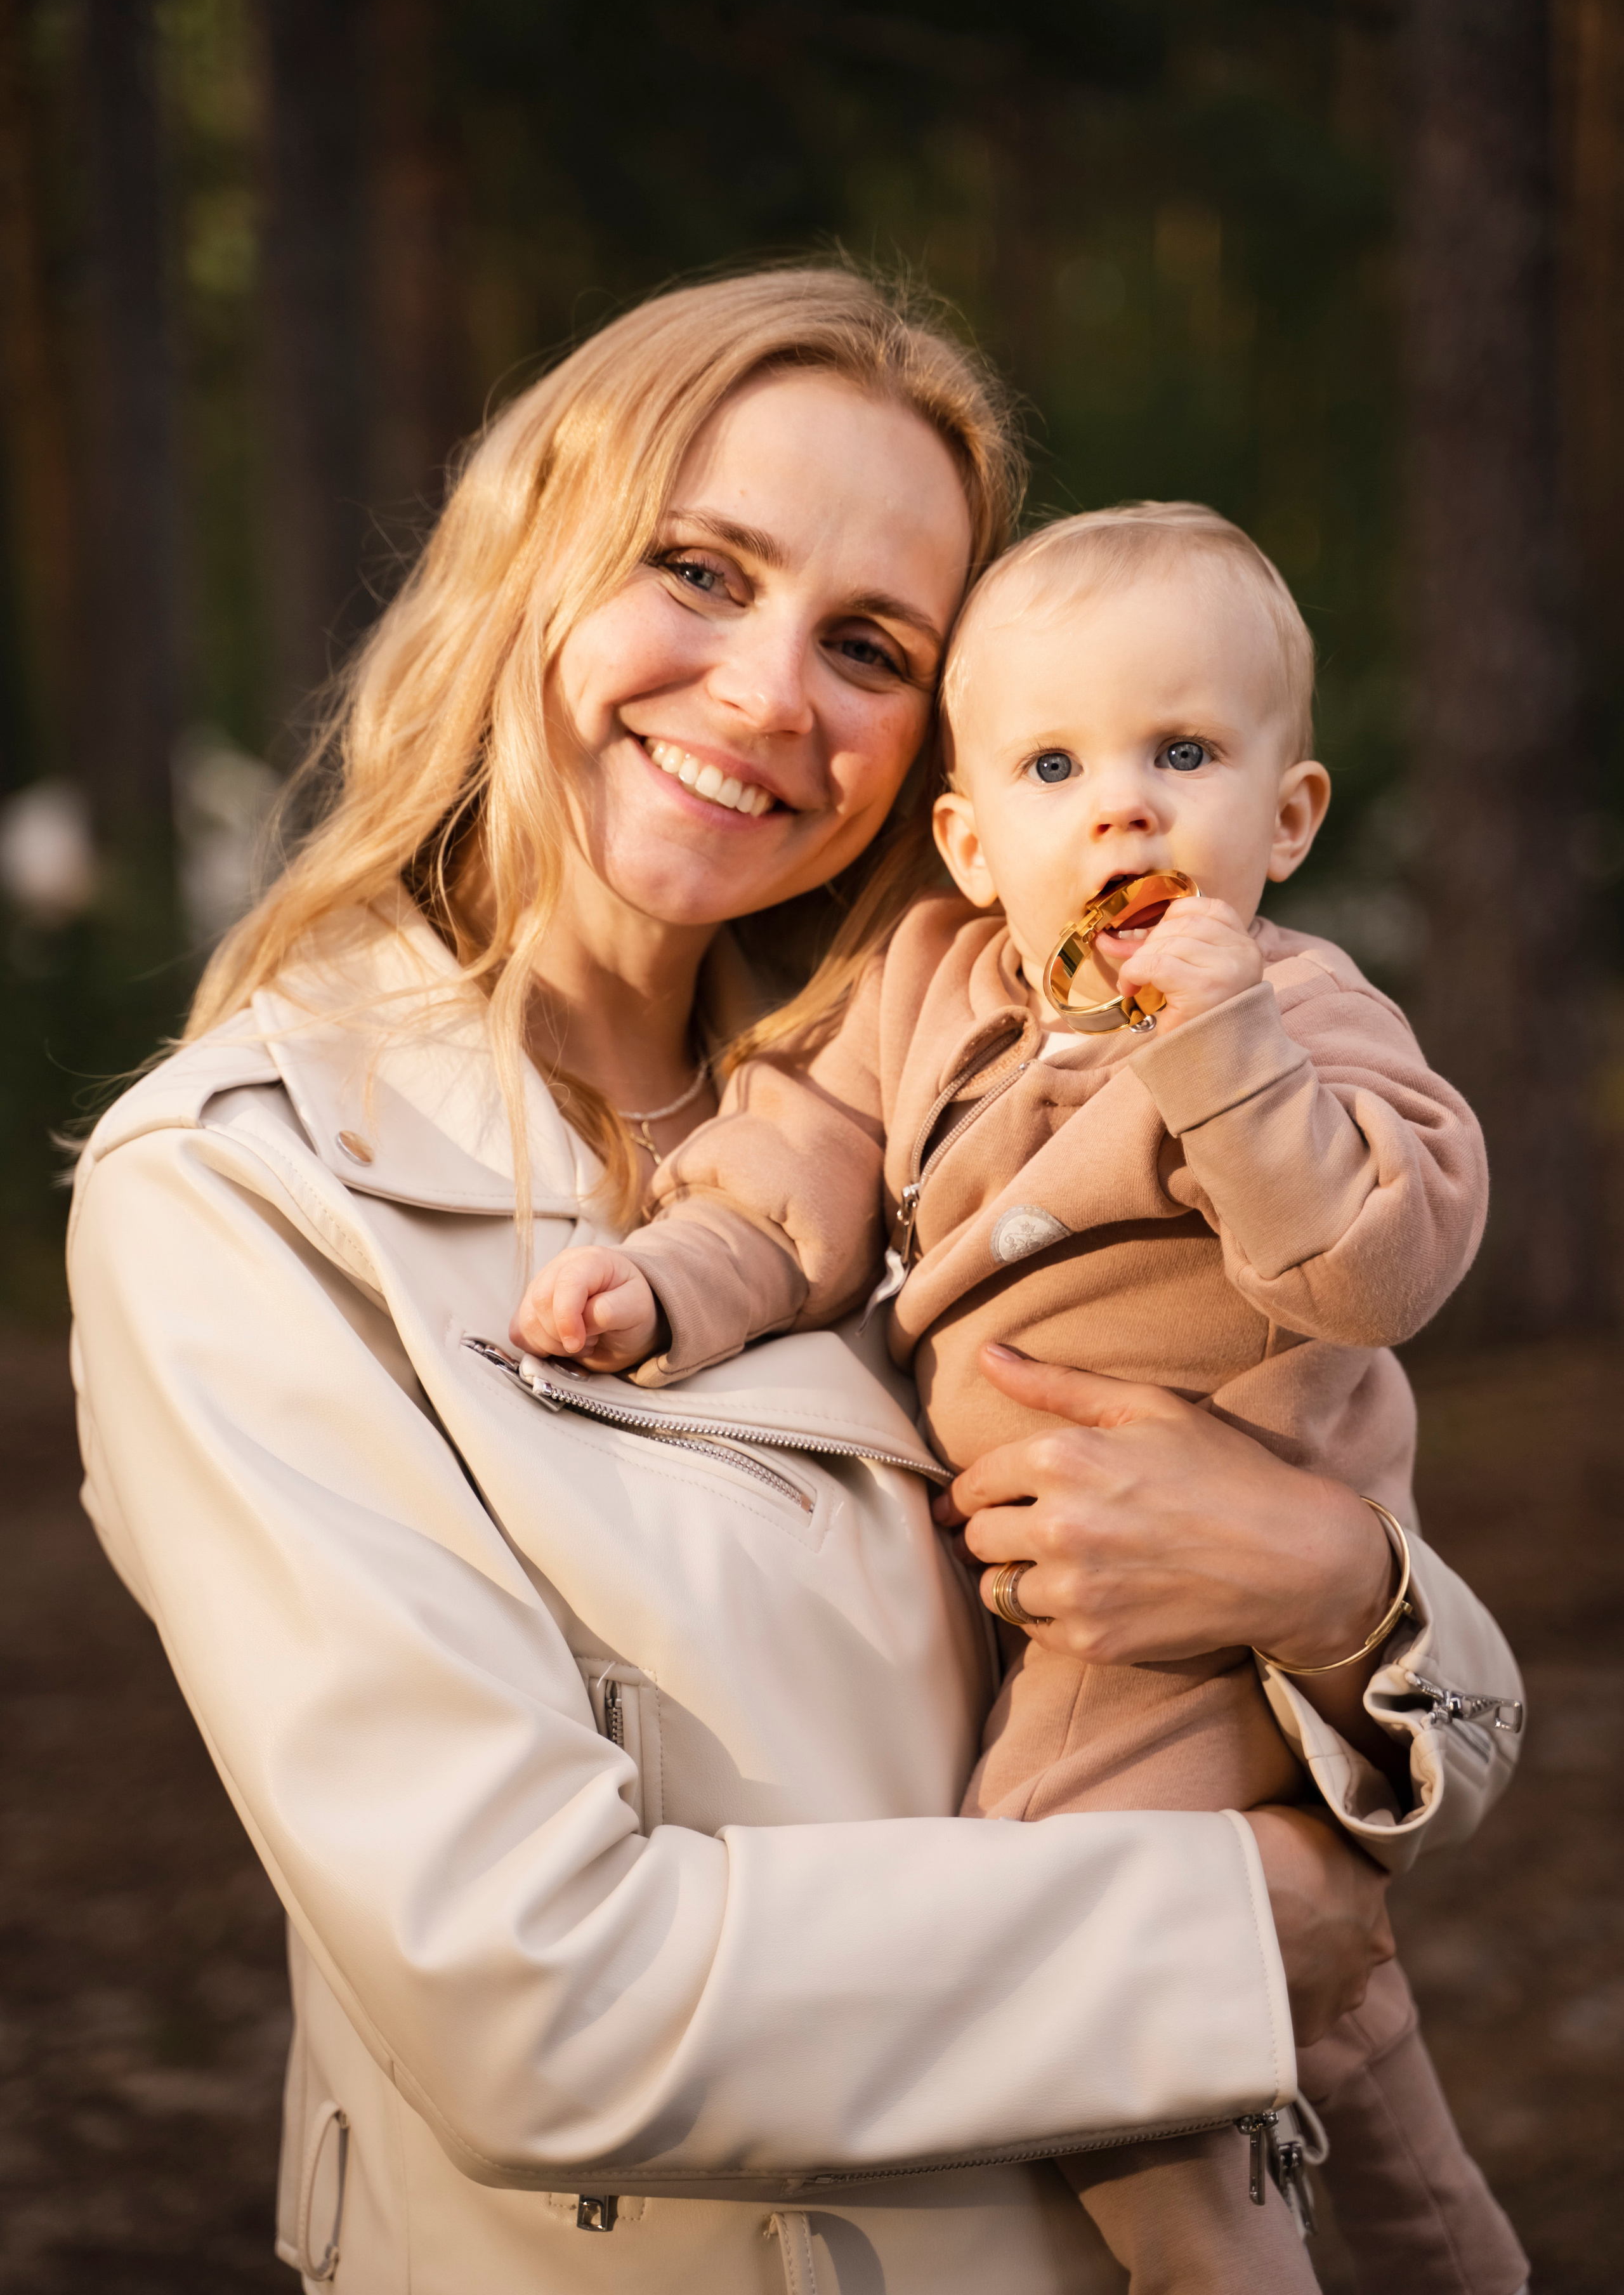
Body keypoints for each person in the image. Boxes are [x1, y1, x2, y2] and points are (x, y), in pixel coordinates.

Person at [67, 268, 1523, 2295]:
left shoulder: (964, 1079)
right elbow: (529, 1999)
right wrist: (1222, 1934)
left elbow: (1445, 1703)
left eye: (866, 644)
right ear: (531, 570)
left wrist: (1331, 1586)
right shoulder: (249, 1195)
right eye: (697, 569)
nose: (768, 698)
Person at [518, 501, 1531, 2294]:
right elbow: (796, 1170)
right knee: (1340, 2014)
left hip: (1184, 1602)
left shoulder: (1307, 1013)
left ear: (1288, 820)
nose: (1124, 807)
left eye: (1186, 752)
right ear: (973, 843)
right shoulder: (929, 985)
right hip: (1052, 1580)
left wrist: (1223, 1046)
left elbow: (1376, 1264)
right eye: (1059, 763)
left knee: (1086, 1971)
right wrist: (670, 1277)